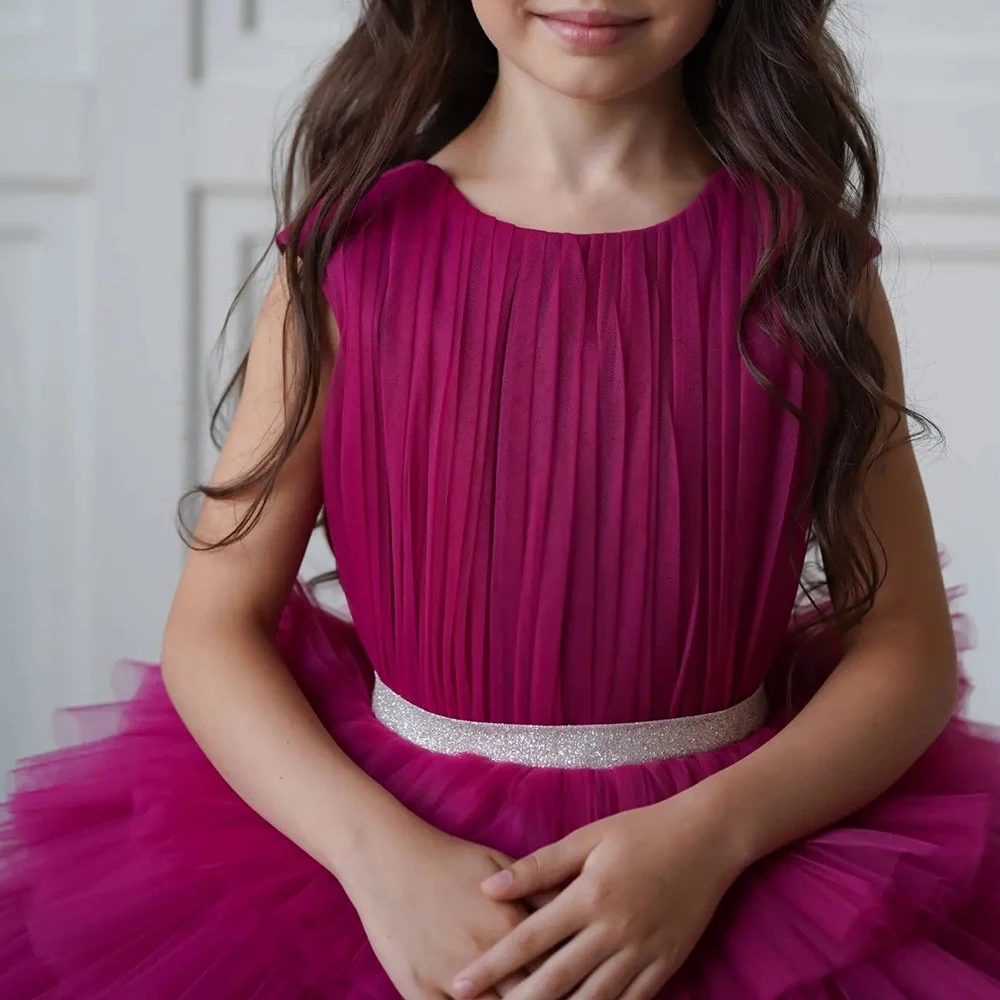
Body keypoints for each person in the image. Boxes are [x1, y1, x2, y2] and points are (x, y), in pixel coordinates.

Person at [3, 1, 999, 997]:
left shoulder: (807, 269)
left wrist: (709, 839)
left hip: (728, 872)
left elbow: (906, 649)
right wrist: (374, 859)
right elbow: (214, 625)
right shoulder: (351, 251)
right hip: (387, 870)